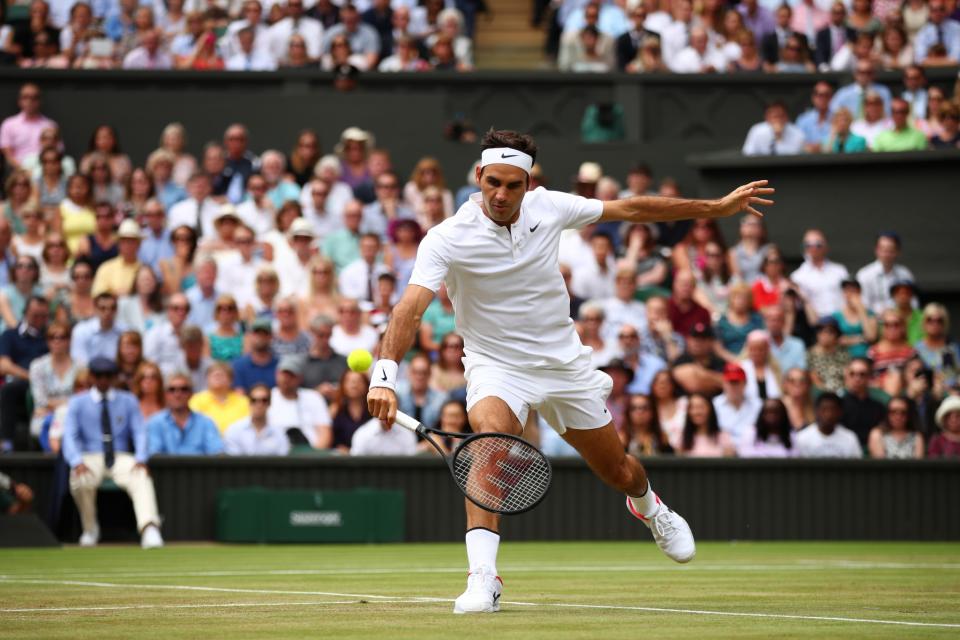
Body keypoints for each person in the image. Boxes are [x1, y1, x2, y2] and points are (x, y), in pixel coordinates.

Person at [367, 129, 775, 612]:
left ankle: (649, 507)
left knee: (619, 470)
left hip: (563, 363)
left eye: (512, 185)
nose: (501, 194)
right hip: (495, 365)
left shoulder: (550, 207)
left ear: (527, 183)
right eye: (492, 182)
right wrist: (384, 375)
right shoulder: (446, 239)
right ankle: (483, 578)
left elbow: (633, 209)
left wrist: (714, 208)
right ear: (478, 176)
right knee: (489, 446)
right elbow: (410, 308)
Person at [63, 357, 164, 548]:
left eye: (108, 375)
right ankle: (90, 529)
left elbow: (139, 432)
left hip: (120, 456)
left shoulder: (128, 400)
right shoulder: (77, 402)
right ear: (91, 377)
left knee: (141, 475)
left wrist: (142, 457)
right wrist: (76, 461)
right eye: (99, 375)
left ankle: (149, 528)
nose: (103, 380)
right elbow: (70, 436)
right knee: (79, 478)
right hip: (90, 456)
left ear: (114, 377)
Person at [0, 295, 50, 451]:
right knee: (9, 390)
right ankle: (6, 441)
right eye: (35, 315)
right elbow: (4, 366)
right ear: (25, 312)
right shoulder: (10, 335)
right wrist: (31, 376)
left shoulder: (51, 336)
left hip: (49, 383)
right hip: (22, 381)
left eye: (43, 316)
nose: (39, 319)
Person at [146, 371, 224, 455]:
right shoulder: (155, 422)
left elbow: (217, 453)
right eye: (172, 390)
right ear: (165, 394)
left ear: (191, 393)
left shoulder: (206, 423)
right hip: (165, 468)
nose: (177, 394)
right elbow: (154, 455)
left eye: (184, 389)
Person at [268, 354, 332, 449]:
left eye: (291, 375)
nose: (286, 379)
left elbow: (325, 434)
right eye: (284, 374)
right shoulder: (265, 397)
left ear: (300, 378)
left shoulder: (314, 397)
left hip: (309, 455)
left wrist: (312, 457)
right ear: (277, 374)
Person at [790, 229, 849, 317]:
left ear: (826, 247)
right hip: (815, 325)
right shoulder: (797, 276)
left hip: (841, 322)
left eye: (818, 244)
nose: (813, 248)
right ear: (803, 248)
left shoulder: (840, 271)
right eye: (808, 245)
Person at [855, 231, 915, 316]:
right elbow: (862, 304)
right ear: (876, 250)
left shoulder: (905, 274)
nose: (886, 254)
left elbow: (913, 302)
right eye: (883, 250)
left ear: (898, 251)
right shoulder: (864, 274)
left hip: (900, 322)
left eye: (890, 250)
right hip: (873, 321)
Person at [0, 83, 57, 171]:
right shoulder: (9, 124)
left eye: (34, 98)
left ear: (40, 101)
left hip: (46, 173)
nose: (30, 101)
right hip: (18, 174)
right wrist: (25, 172)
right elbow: (8, 155)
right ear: (19, 101)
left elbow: (56, 151)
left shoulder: (50, 125)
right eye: (25, 97)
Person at [223, 383, 289, 456]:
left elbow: (282, 461)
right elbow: (233, 462)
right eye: (254, 400)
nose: (259, 404)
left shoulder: (279, 432)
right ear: (249, 402)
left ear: (269, 403)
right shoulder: (234, 430)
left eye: (264, 400)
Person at [794, 392, 862, 458]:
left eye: (833, 410)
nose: (828, 414)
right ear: (816, 411)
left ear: (840, 412)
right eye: (824, 409)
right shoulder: (802, 438)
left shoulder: (850, 438)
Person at [189, 361, 250, 433]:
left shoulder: (243, 401)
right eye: (214, 375)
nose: (217, 376)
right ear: (207, 379)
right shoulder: (196, 400)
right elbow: (193, 425)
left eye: (222, 375)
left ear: (231, 381)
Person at [840, 358, 886, 448]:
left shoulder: (878, 407)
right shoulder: (838, 406)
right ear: (846, 376)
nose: (857, 379)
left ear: (869, 377)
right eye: (852, 374)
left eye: (862, 374)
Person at [70, 291, 123, 367]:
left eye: (112, 308)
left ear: (117, 310)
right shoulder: (81, 330)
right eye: (102, 308)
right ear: (95, 309)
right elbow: (79, 362)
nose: (108, 312)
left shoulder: (125, 331)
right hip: (89, 375)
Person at [712, 363, 762, 444]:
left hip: (752, 452)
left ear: (745, 383)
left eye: (737, 382)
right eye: (730, 382)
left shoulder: (758, 405)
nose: (733, 386)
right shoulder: (714, 405)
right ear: (724, 383)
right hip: (723, 452)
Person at [396, 352, 447, 429]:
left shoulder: (441, 398)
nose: (419, 377)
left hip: (431, 438)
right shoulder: (397, 392)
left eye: (424, 373)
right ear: (409, 372)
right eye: (415, 372)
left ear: (430, 374)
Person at [914, 304, 960, 390]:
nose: (934, 324)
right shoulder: (917, 349)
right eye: (930, 320)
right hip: (926, 392)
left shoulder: (953, 346)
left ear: (945, 323)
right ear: (924, 322)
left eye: (939, 320)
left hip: (951, 392)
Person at [678, 393, 736, 457]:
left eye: (701, 407)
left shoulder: (723, 436)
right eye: (692, 408)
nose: (696, 412)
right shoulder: (683, 438)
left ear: (710, 409)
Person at [329, 369, 372, 453]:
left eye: (359, 381)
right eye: (349, 381)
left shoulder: (374, 411)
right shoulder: (334, 410)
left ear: (366, 385)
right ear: (342, 385)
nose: (354, 385)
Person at [232, 316, 278, 392]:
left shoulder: (279, 365)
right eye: (257, 333)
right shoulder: (238, 366)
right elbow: (239, 395)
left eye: (264, 334)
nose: (260, 337)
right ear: (250, 336)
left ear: (271, 337)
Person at [807, 316, 851, 392]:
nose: (825, 334)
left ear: (837, 335)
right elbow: (814, 379)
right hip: (821, 394)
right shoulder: (810, 354)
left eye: (830, 331)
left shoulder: (843, 353)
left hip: (842, 392)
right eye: (821, 330)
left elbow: (848, 376)